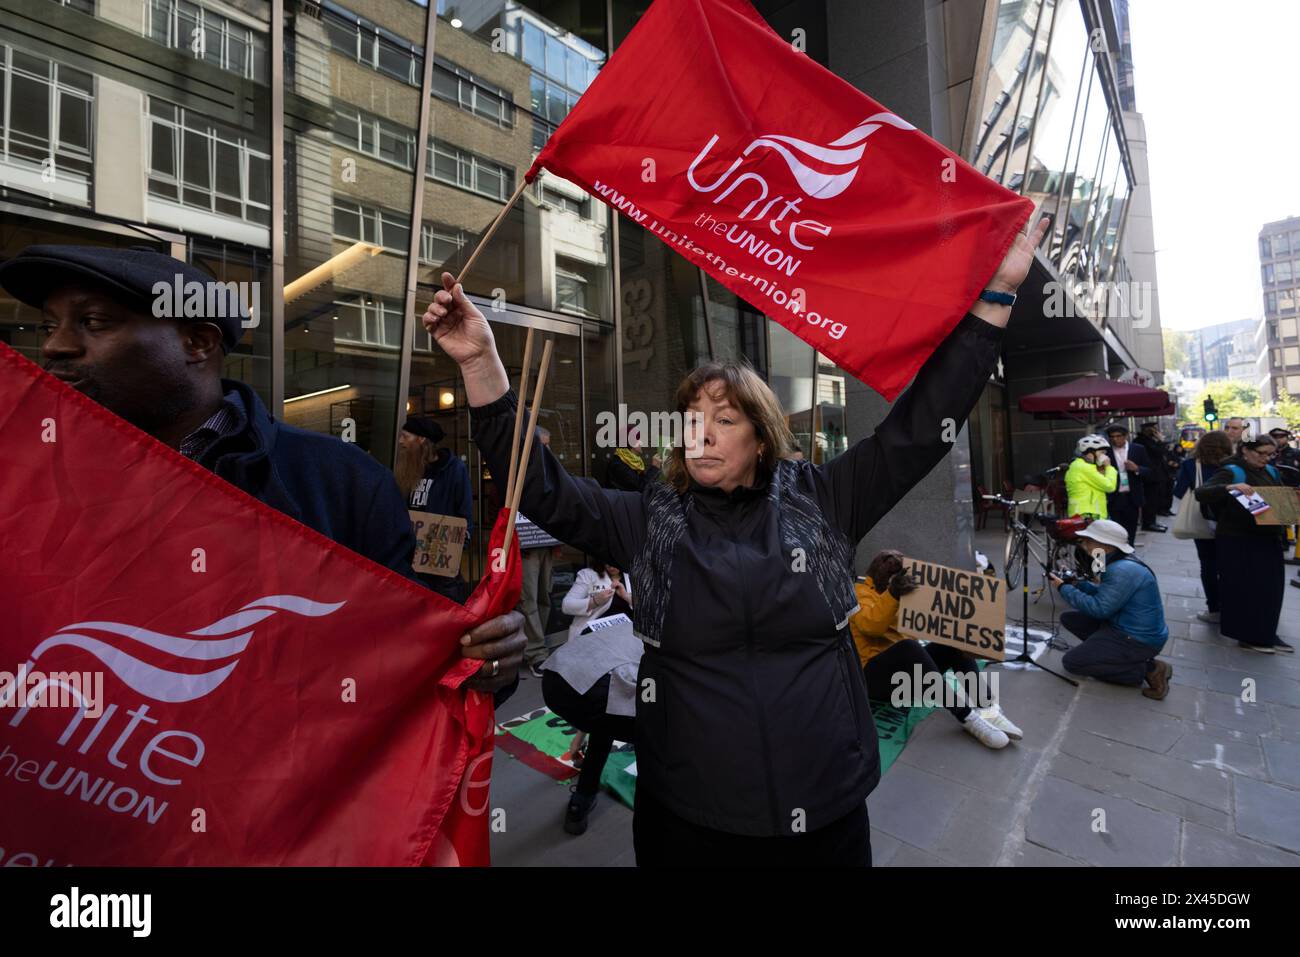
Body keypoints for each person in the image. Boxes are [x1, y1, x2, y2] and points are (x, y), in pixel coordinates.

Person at [424, 215, 1049, 866]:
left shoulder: (824, 498)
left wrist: (995, 298)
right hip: (689, 821)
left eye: (723, 419)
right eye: (692, 419)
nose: (702, 432)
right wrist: (480, 360)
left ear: (761, 435)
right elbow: (545, 488)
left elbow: (921, 429)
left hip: (826, 811)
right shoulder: (652, 518)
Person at [0, 244, 523, 699]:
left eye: (92, 322)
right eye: (50, 324)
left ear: (197, 343)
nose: (54, 346)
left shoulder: (341, 483)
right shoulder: (26, 483)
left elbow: (412, 660)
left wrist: (480, 661)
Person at [850, 550, 1022, 749]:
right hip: (875, 679)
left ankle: (987, 706)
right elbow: (871, 626)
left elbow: (921, 626)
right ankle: (966, 716)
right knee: (908, 648)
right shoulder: (859, 592)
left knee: (951, 643)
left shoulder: (903, 593)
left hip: (904, 678)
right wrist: (893, 595)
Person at [542, 565, 639, 834]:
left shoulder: (634, 577)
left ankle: (582, 798)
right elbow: (569, 606)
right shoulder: (589, 576)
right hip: (590, 656)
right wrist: (596, 600)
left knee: (615, 716)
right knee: (607, 715)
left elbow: (647, 612)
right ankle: (582, 797)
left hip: (626, 657)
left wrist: (628, 598)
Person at [1049, 520, 1173, 699]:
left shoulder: (1121, 570)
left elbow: (1099, 609)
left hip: (1138, 639)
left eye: (1088, 541)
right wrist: (1078, 584)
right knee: (1070, 619)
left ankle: (1149, 670)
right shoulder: (1117, 561)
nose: (1084, 545)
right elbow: (1106, 594)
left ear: (1104, 545)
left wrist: (1064, 588)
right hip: (1124, 626)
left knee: (1072, 663)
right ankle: (1107, 653)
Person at [1194, 435, 1292, 653]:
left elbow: (1279, 499)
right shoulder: (1231, 470)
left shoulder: (1271, 471)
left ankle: (1267, 633)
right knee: (1245, 589)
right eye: (1261, 453)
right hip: (1238, 538)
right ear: (1245, 451)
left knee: (1271, 588)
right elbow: (1202, 493)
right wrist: (1230, 487)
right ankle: (1249, 636)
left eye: (1270, 454)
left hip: (1268, 536)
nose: (1266, 458)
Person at [397, 415, 473, 602]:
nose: (400, 441)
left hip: (440, 558)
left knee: (445, 604)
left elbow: (464, 511)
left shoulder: (454, 469)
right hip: (411, 556)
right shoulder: (407, 469)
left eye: (406, 436)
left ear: (421, 439)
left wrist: (459, 542)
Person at [1172, 430, 1234, 625]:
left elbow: (1179, 491)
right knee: (1231, 565)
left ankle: (1214, 609)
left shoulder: (1191, 465)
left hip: (1203, 521)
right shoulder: (1233, 465)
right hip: (1230, 521)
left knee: (1208, 565)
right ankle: (1234, 606)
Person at [519, 427, 558, 676]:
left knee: (544, 595)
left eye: (548, 445)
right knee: (528, 598)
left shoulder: (552, 474)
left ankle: (536, 643)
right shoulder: (516, 473)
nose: (547, 450)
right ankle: (535, 652)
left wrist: (557, 544)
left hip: (545, 545)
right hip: (527, 548)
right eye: (543, 445)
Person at [1101, 422, 1155, 544]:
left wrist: (1137, 469)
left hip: (1132, 497)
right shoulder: (1105, 452)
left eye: (1118, 436)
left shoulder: (1138, 449)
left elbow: (1150, 471)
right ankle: (1117, 556)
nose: (1115, 439)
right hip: (1114, 497)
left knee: (1130, 531)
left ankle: (1129, 555)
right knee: (1115, 531)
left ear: (1126, 436)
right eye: (1112, 437)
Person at [1064, 434, 1117, 518]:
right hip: (1087, 515)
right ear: (1090, 452)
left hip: (1087, 514)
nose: (1104, 456)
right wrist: (1109, 467)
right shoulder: (1084, 467)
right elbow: (1109, 486)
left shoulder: (1079, 465)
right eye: (1101, 452)